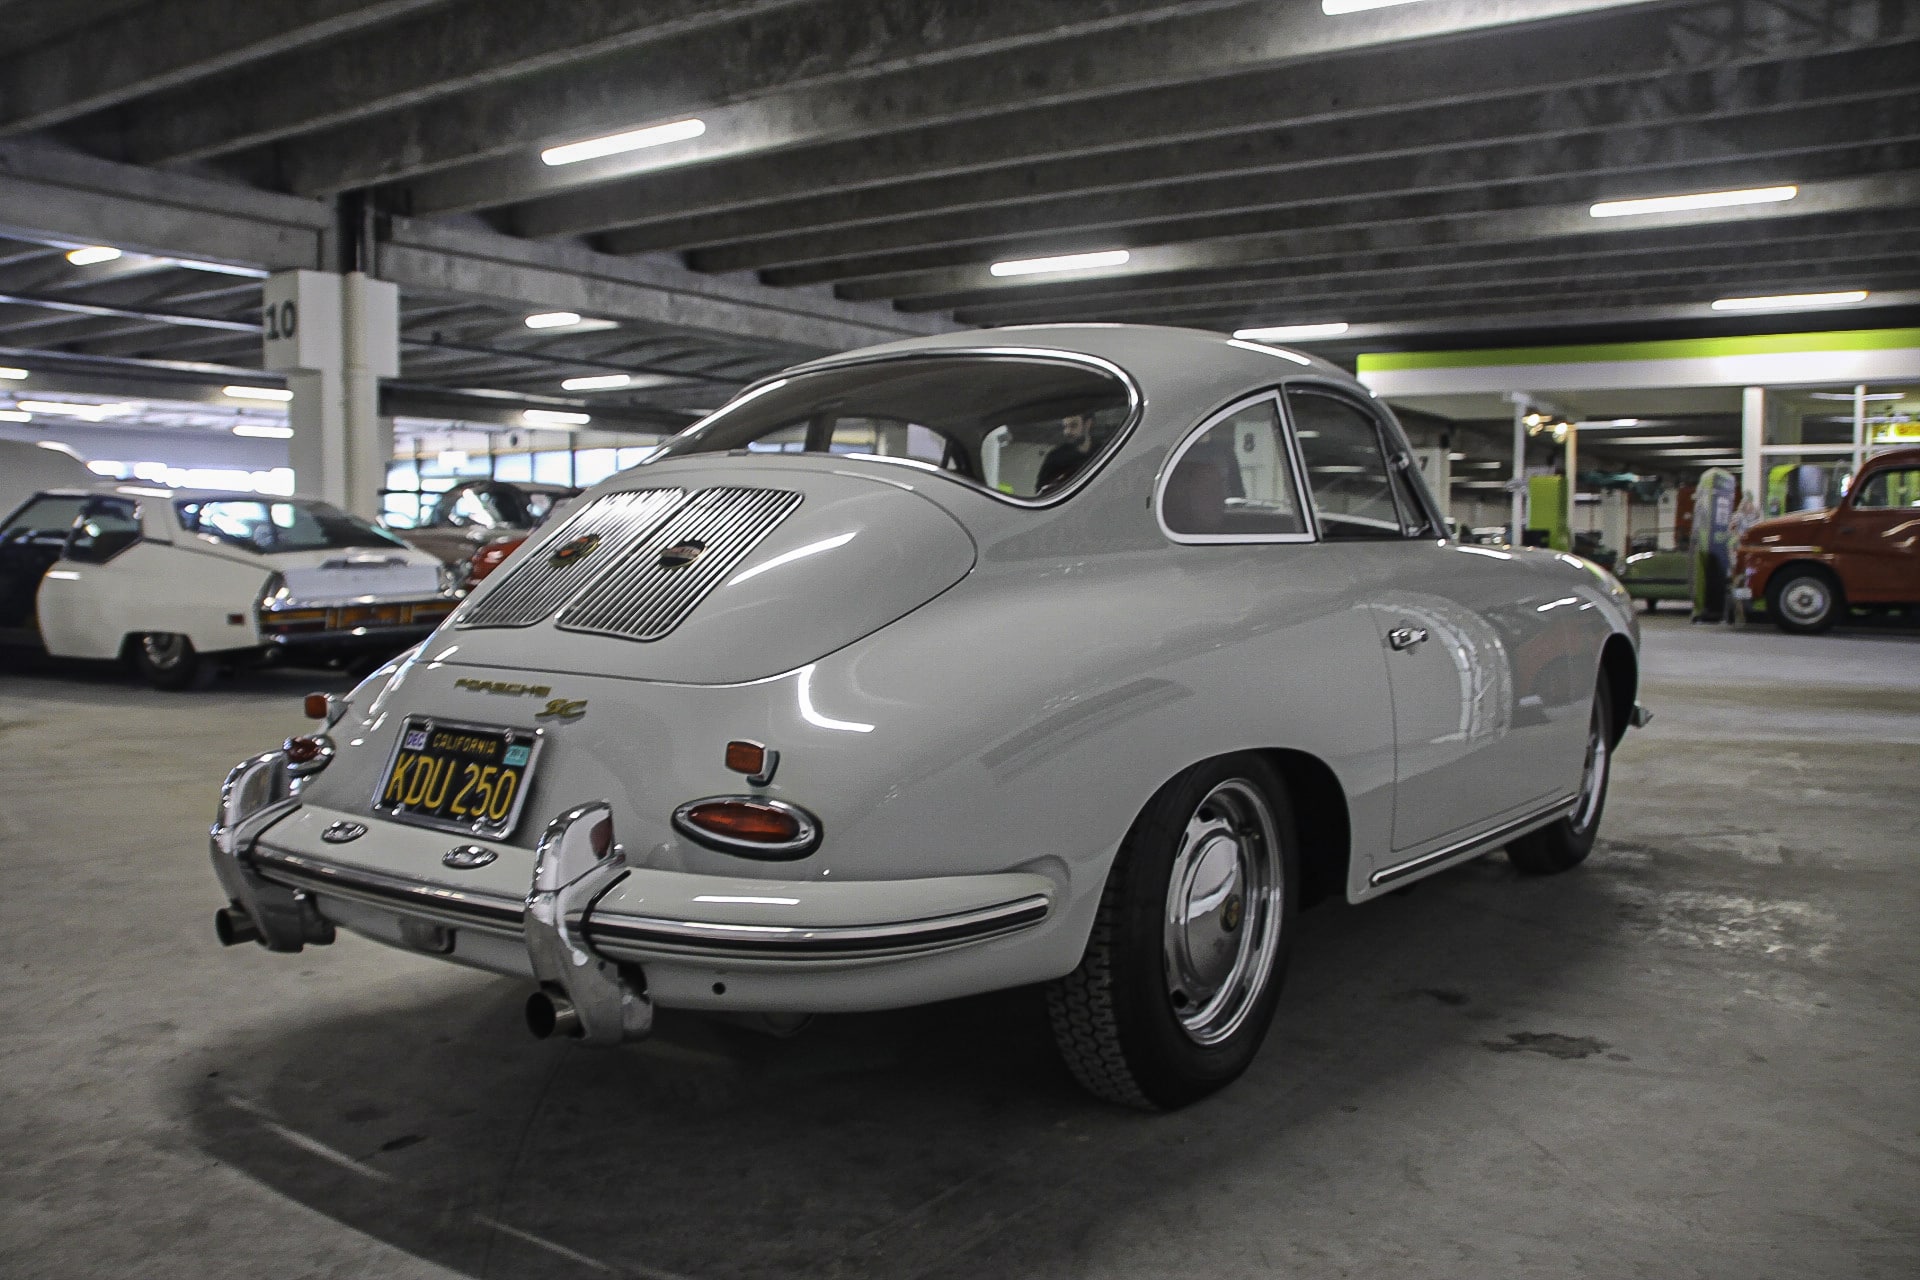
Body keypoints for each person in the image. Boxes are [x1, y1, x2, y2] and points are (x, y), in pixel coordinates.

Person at [1035, 412, 1097, 492]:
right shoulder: (1055, 458)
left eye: (1073, 425)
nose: (1067, 432)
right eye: (1065, 427)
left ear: (1088, 424)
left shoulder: (1102, 450)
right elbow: (1041, 492)